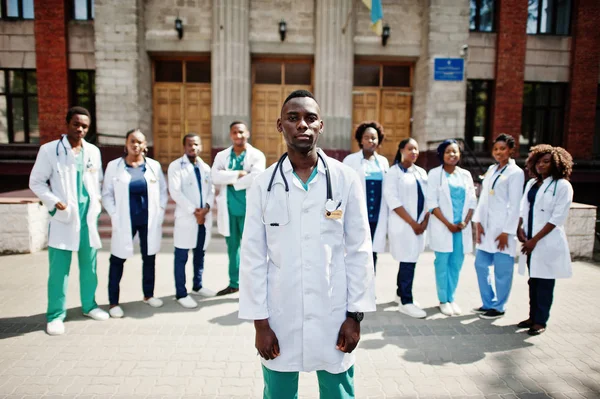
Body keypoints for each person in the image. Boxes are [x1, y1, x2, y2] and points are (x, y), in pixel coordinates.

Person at [238, 90, 376, 399]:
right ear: (280, 125)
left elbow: (359, 250)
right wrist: (260, 324)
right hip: (279, 316)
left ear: (321, 126)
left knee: (338, 392)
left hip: (335, 314)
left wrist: (355, 316)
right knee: (279, 393)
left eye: (310, 118)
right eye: (293, 118)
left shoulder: (346, 179)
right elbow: (252, 257)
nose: (302, 125)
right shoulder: (262, 184)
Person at [29, 106, 109, 335]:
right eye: (76, 124)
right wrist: (54, 203)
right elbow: (36, 182)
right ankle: (55, 315)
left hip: (87, 219)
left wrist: (97, 204)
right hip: (64, 219)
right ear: (67, 124)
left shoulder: (93, 151)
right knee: (59, 271)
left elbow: (97, 182)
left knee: (89, 267)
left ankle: (89, 306)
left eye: (85, 126)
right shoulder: (49, 150)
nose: (80, 129)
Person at [102, 129, 168, 318]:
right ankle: (113, 302)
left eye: (139, 142)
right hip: (124, 220)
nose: (136, 145)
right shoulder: (114, 166)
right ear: (126, 143)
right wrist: (114, 214)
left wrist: (161, 210)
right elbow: (106, 194)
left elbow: (162, 191)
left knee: (149, 258)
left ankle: (148, 295)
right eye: (132, 141)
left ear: (145, 145)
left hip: (148, 219)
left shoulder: (153, 166)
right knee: (117, 259)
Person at [517, 145, 573, 336]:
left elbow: (556, 218)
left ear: (557, 164)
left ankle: (541, 321)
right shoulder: (532, 184)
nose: (541, 165)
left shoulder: (562, 186)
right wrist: (519, 229)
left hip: (547, 242)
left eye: (546, 162)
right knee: (534, 281)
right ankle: (532, 316)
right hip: (530, 240)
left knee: (545, 282)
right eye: (538, 161)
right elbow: (523, 209)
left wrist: (535, 240)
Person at [472, 134, 524, 319]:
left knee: (502, 271)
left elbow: (516, 204)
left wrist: (507, 232)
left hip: (503, 231)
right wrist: (478, 224)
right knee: (480, 265)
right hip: (487, 228)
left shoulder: (515, 173)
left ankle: (499, 306)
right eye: (496, 149)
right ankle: (488, 303)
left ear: (511, 150)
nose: (499, 152)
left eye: (503, 149)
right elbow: (483, 199)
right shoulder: (492, 169)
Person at [211, 121, 266, 296]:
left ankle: (255, 285)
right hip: (228, 209)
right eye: (235, 132)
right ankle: (234, 283)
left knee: (252, 249)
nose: (238, 135)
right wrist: (238, 174)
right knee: (232, 248)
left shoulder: (257, 155)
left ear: (247, 133)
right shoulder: (222, 155)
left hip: (249, 209)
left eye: (241, 132)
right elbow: (214, 176)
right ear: (230, 135)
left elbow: (256, 177)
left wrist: (229, 179)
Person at [426, 139, 477, 316]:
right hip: (444, 227)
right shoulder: (434, 174)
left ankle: (451, 298)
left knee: (456, 264)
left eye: (455, 152)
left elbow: (472, 200)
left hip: (461, 229)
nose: (452, 155)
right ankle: (442, 300)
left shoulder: (465, 175)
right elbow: (431, 204)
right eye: (448, 151)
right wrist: (449, 224)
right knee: (442, 264)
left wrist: (464, 222)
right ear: (442, 154)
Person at [168, 133, 216, 309]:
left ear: (200, 146)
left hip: (203, 217)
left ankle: (198, 285)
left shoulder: (205, 168)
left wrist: (207, 208)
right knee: (181, 256)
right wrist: (194, 211)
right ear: (184, 147)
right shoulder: (176, 167)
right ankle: (181, 293)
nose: (192, 147)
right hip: (187, 218)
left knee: (200, 253)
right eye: (189, 145)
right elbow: (175, 192)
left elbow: (211, 189)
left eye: (196, 144)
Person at [383, 138, 429, 319]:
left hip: (419, 225)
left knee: (410, 259)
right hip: (405, 225)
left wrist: (424, 222)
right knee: (407, 260)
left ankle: (399, 294)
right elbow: (392, 200)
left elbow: (429, 199)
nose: (414, 152)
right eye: (410, 149)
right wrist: (413, 223)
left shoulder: (421, 172)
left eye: (416, 149)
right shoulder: (393, 172)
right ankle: (406, 302)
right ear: (401, 150)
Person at [342, 121, 389, 271]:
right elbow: (343, 187)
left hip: (376, 215)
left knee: (373, 252)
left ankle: (370, 288)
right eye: (367, 137)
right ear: (360, 140)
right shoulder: (350, 160)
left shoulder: (383, 162)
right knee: (357, 250)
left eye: (374, 138)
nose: (371, 141)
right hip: (358, 214)